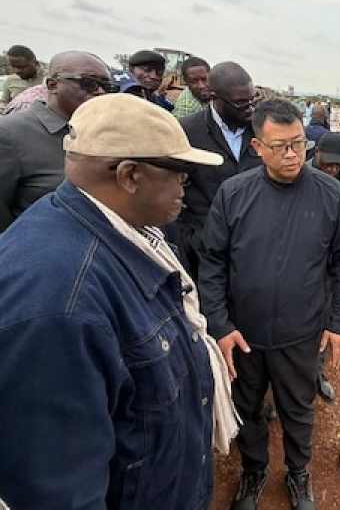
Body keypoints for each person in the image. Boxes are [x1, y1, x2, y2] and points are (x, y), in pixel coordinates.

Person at [0, 93, 233, 509]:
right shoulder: (62, 304)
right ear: (129, 176)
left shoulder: (121, 234)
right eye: (179, 170)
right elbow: (59, 492)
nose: (187, 183)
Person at [200, 99, 340, 510]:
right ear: (257, 147)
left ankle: (298, 472)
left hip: (301, 333)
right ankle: (254, 471)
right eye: (280, 146)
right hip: (244, 334)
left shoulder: (330, 194)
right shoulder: (234, 194)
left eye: (298, 144)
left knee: (298, 408)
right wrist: (219, 324)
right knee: (248, 407)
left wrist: (339, 324)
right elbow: (213, 262)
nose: (292, 155)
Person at [0, 51, 116, 231]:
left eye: (107, 86)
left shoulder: (101, 133)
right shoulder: (9, 134)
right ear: (53, 85)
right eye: (89, 83)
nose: (100, 92)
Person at [178, 61, 260, 278]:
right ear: (215, 97)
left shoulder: (262, 131)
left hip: (254, 251)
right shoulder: (186, 132)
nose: (250, 109)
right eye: (240, 103)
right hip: (203, 255)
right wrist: (190, 239)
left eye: (253, 100)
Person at [307, 132, 340, 402]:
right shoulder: (300, 175)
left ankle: (317, 373)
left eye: (337, 166)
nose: (331, 170)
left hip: (331, 267)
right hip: (302, 266)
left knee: (325, 322)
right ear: (315, 153)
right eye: (327, 163)